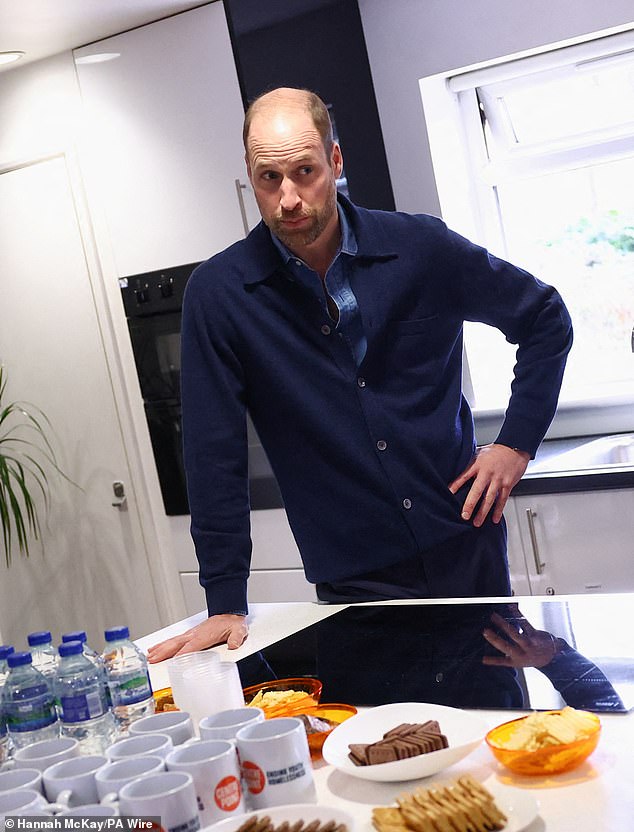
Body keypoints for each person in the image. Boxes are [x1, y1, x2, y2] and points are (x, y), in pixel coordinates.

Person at [147, 87, 572, 663]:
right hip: (357, 581)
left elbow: (544, 318)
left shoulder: (421, 247)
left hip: (467, 546)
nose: (288, 199)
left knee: (494, 734)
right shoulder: (220, 296)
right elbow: (212, 454)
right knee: (383, 742)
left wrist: (516, 443)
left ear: (336, 161)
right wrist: (225, 600)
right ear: (249, 176)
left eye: (305, 171)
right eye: (269, 179)